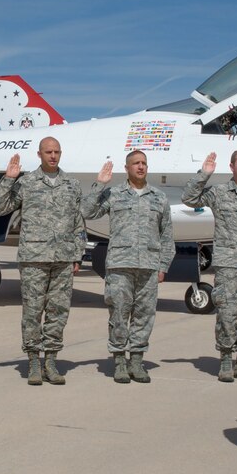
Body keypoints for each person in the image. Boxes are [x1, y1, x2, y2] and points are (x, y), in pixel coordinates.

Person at [0, 137, 85, 385]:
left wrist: (78, 253)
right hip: (34, 258)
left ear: (61, 153)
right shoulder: (27, 182)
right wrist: (8, 179)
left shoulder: (72, 185)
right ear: (39, 154)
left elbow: (78, 222)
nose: (52, 156)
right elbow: (0, 207)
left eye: (56, 151)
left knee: (58, 311)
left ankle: (51, 361)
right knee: (32, 311)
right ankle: (33, 361)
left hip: (63, 258)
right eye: (48, 152)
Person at [82, 150, 174, 384]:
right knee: (119, 314)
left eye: (144, 163)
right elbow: (87, 212)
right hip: (120, 265)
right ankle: (119, 361)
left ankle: (137, 360)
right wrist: (100, 185)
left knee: (144, 315)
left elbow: (167, 236)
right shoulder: (114, 194)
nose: (141, 167)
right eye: (136, 163)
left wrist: (163, 265)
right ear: (127, 168)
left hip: (149, 266)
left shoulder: (159, 198)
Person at [182, 150, 237, 383]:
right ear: (232, 167)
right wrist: (204, 174)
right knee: (227, 312)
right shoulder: (219, 193)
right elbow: (189, 198)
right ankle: (226, 359)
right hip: (228, 265)